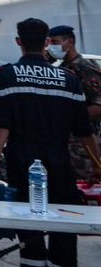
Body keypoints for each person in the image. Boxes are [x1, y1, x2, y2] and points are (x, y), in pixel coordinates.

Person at [0, 18, 101, 267]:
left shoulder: (6, 76)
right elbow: (83, 128)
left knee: (30, 225)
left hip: (22, 162)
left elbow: (1, 125)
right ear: (47, 43)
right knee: (64, 226)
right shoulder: (68, 79)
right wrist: (98, 162)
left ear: (18, 41)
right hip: (60, 163)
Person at [48, 24, 101, 181]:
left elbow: (99, 107)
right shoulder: (61, 70)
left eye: (55, 42)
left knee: (84, 183)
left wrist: (72, 117)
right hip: (64, 142)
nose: (51, 47)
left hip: (84, 145)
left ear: (69, 42)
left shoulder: (86, 70)